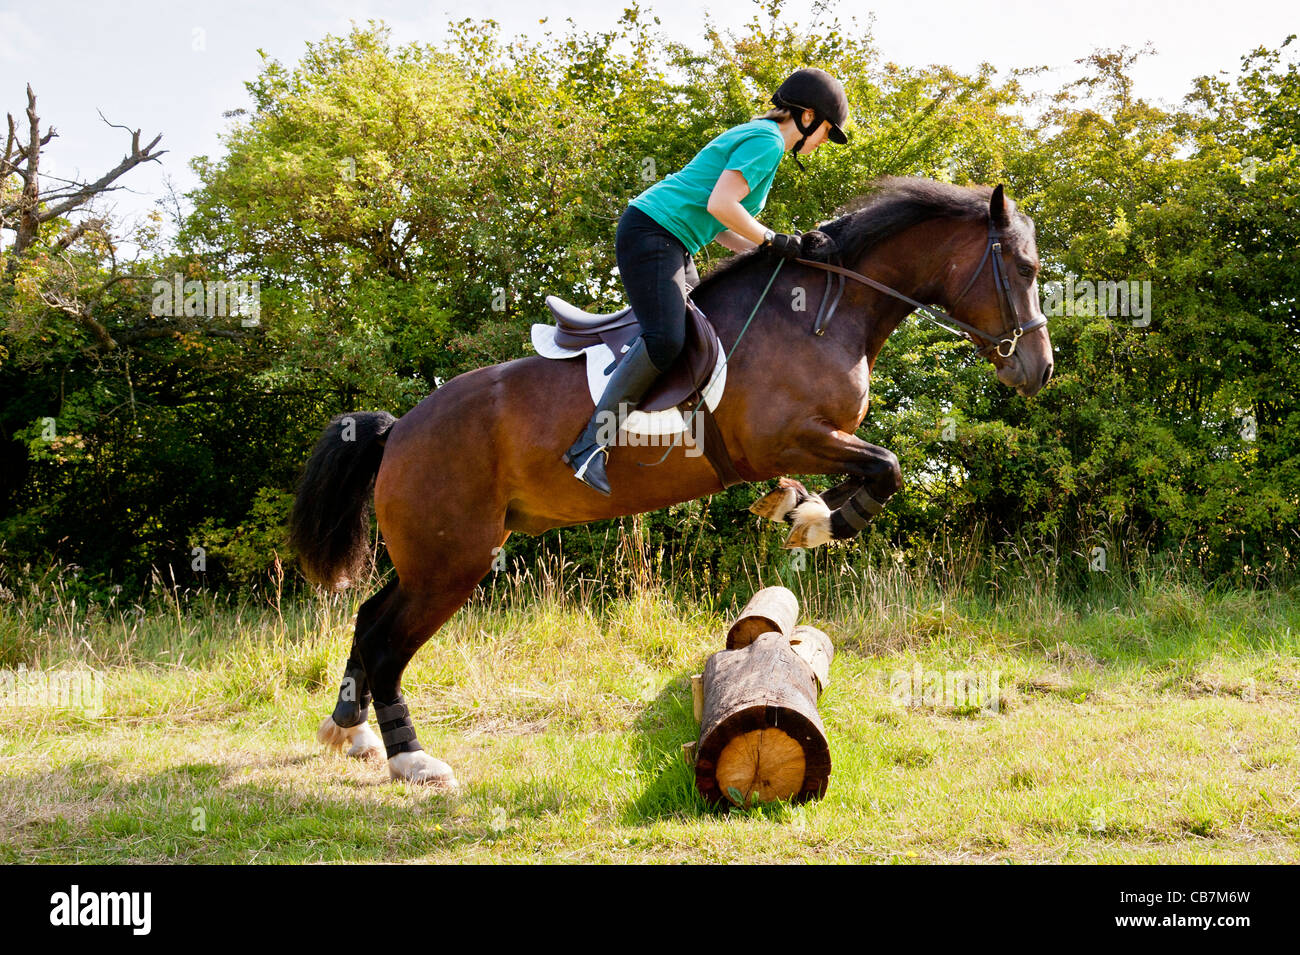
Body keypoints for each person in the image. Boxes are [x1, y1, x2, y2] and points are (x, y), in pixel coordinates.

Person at [564, 67, 851, 495]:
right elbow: (722, 204)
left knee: (708, 336)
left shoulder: (761, 139)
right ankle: (590, 446)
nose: (826, 140)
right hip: (653, 234)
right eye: (828, 130)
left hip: (673, 241)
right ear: (808, 117)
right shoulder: (768, 141)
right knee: (666, 339)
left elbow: (719, 224)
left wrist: (765, 251)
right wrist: (773, 238)